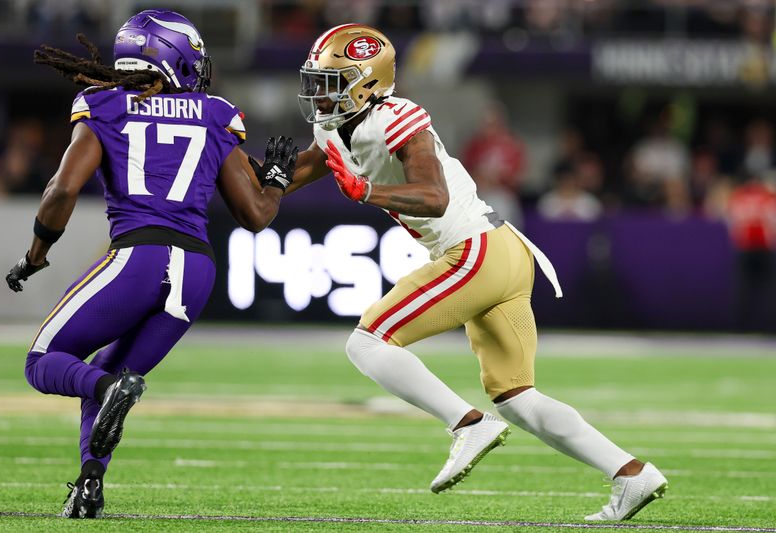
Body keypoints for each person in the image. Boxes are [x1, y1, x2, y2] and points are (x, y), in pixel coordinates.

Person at [284, 23, 668, 521]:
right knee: (517, 397)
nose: (318, 93)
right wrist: (231, 164)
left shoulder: (396, 116)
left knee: (368, 341)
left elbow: (434, 196)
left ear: (368, 82)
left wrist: (368, 193)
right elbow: (282, 179)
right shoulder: (333, 128)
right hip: (502, 251)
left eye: (330, 81)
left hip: (473, 250)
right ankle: (631, 474)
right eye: (315, 81)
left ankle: (465, 423)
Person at [5, 10, 297, 519]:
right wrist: (274, 180)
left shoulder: (103, 104)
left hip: (139, 258)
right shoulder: (216, 112)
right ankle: (89, 486)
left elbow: (62, 190)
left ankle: (107, 392)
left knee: (46, 362)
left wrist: (35, 256)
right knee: (112, 371)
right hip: (197, 271)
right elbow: (255, 215)